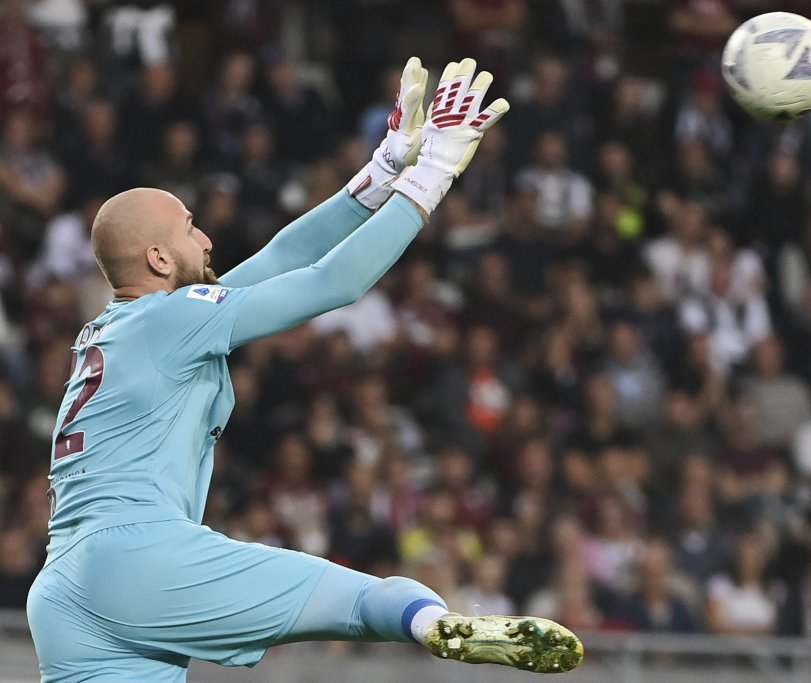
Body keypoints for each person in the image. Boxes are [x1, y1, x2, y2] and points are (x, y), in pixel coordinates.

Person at [26, 57, 583, 682]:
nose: (205, 240)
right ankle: (432, 622)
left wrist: (381, 172)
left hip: (63, 589)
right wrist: (434, 170)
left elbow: (278, 258)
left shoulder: (119, 328)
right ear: (157, 257)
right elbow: (331, 281)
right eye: (190, 227)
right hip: (140, 556)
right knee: (365, 601)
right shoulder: (171, 319)